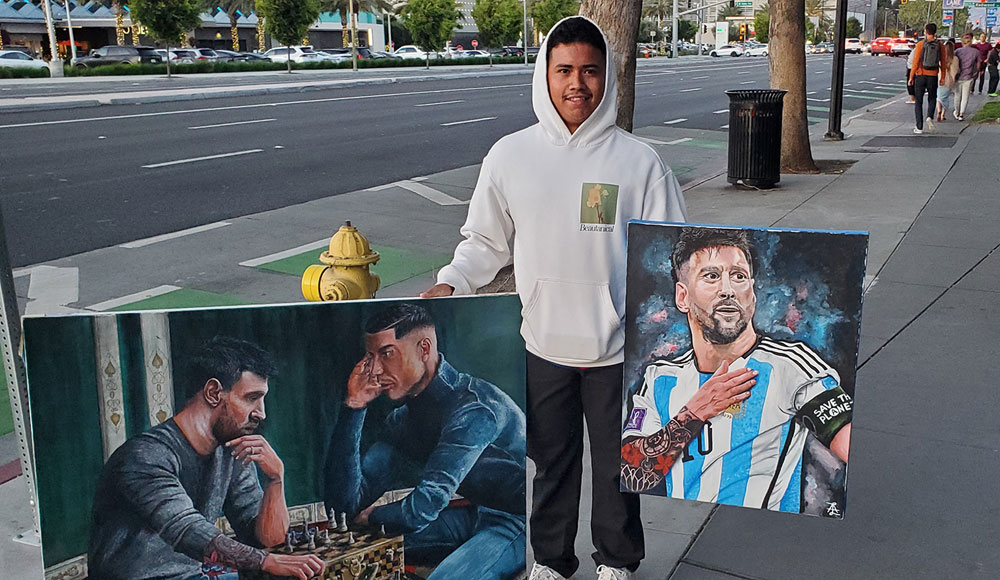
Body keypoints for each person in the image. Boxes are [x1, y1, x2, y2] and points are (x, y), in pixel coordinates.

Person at [420, 15, 687, 580]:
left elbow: (673, 254)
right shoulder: (510, 156)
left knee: (622, 465)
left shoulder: (639, 163)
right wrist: (454, 280)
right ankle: (553, 562)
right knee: (551, 466)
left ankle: (617, 561)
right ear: (544, 73)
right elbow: (484, 241)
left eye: (590, 71)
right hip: (543, 344)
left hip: (618, 350)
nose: (577, 84)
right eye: (564, 69)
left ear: (607, 77)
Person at [620, 228, 852, 513]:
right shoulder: (659, 379)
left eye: (738, 276)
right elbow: (633, 475)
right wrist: (694, 412)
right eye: (711, 276)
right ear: (683, 296)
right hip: (687, 524)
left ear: (752, 295)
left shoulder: (791, 366)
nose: (727, 289)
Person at [88, 337, 324, 580]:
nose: (261, 413)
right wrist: (265, 562)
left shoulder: (232, 450)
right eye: (252, 398)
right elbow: (188, 532)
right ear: (213, 393)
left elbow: (266, 538)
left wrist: (276, 480)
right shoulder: (144, 456)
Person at [324, 303, 527, 580]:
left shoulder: (475, 410)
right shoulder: (403, 420)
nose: (375, 370)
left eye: (387, 354)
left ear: (424, 349)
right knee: (351, 549)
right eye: (371, 357)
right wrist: (354, 406)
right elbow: (344, 507)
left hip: (525, 520)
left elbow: (423, 507)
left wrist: (372, 516)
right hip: (475, 515)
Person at [909, 23, 942, 134]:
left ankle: (919, 127)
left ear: (926, 31)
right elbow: (944, 62)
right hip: (933, 75)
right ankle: (929, 116)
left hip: (921, 75)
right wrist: (943, 77)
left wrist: (911, 77)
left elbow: (915, 62)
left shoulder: (920, 45)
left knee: (918, 101)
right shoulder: (940, 45)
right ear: (935, 31)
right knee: (932, 98)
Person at [954, 33, 982, 121]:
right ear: (971, 42)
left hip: (958, 76)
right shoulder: (976, 52)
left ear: (962, 42)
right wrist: (976, 73)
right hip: (969, 76)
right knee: (965, 96)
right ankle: (962, 114)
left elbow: (954, 62)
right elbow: (978, 64)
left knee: (957, 95)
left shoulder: (957, 51)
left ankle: (957, 111)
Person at [936, 40, 958, 122]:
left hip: (939, 78)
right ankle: (942, 114)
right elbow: (954, 71)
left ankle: (938, 110)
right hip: (948, 80)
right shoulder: (954, 59)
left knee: (939, 97)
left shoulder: (940, 58)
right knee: (945, 98)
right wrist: (954, 81)